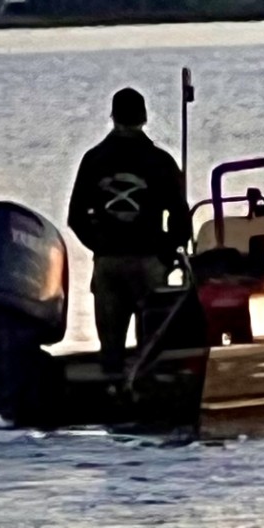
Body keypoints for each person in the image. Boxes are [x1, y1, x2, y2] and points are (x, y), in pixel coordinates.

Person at [67, 87, 189, 366]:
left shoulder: (93, 159)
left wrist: (100, 247)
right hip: (149, 261)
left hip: (108, 264)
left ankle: (112, 395)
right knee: (152, 352)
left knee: (111, 352)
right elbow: (181, 218)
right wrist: (166, 256)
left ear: (112, 117)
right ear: (144, 117)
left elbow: (76, 217)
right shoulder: (161, 161)